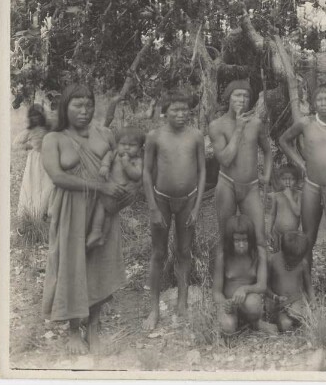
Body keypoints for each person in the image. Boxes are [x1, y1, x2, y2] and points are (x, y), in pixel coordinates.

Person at [41, 84, 130, 354]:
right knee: (71, 264)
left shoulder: (104, 133)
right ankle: (73, 330)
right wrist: (100, 187)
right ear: (65, 108)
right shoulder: (53, 139)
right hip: (71, 208)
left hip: (102, 209)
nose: (84, 110)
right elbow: (58, 177)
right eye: (77, 105)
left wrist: (119, 193)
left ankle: (93, 324)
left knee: (98, 263)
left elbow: (119, 164)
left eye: (88, 104)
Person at [279, 83, 326, 310]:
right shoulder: (306, 123)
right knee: (307, 239)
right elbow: (284, 141)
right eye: (319, 99)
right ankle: (306, 289)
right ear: (314, 102)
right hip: (312, 187)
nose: (323, 103)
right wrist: (300, 163)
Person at [142, 90, 206, 330]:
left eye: (185, 109)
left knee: (184, 251)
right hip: (161, 200)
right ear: (164, 112)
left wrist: (197, 207)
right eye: (175, 110)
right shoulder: (155, 136)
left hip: (188, 200)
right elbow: (147, 173)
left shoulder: (196, 136)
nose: (181, 114)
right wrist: (152, 208)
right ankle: (154, 309)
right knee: (158, 254)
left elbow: (201, 172)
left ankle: (182, 302)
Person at [209, 79, 272, 283]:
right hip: (226, 184)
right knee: (226, 236)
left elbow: (268, 151)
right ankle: (225, 285)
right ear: (228, 97)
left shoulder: (256, 123)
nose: (242, 99)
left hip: (251, 187)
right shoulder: (217, 126)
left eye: (245, 96)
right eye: (237, 95)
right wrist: (237, 128)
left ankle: (261, 284)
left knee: (260, 238)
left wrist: (267, 175)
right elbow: (226, 159)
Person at [86, 127, 144, 251]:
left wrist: (126, 164)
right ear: (117, 144)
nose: (126, 148)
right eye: (123, 144)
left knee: (102, 205)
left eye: (132, 145)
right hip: (112, 187)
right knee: (108, 214)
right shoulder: (116, 153)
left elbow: (137, 175)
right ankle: (102, 238)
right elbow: (108, 156)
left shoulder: (137, 161)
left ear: (139, 148)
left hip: (123, 192)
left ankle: (96, 231)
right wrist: (105, 166)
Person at [212, 215, 267, 334]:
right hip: (228, 302)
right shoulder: (223, 256)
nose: (241, 245)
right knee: (228, 327)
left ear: (251, 239)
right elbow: (216, 292)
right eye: (237, 241)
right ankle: (238, 322)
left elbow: (262, 286)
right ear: (230, 240)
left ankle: (253, 322)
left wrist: (245, 289)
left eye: (245, 240)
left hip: (248, 302)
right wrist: (224, 303)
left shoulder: (259, 253)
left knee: (254, 306)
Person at [266, 230, 315, 332]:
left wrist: (313, 301)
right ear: (284, 252)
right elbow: (265, 286)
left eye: (298, 259)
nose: (295, 263)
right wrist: (275, 297)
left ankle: (299, 317)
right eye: (292, 260)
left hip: (297, 301)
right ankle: (291, 319)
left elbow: (308, 286)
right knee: (285, 325)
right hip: (279, 305)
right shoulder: (272, 260)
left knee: (300, 316)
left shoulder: (303, 263)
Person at [13, 104, 54, 220]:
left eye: (38, 115)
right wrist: (29, 146)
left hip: (49, 158)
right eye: (33, 116)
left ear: (42, 116)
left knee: (48, 184)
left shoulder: (48, 128)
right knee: (35, 184)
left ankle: (45, 211)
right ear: (30, 118)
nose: (36, 118)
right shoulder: (29, 131)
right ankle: (34, 213)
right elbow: (16, 143)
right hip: (35, 161)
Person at [267, 165, 301, 252]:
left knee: (290, 257)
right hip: (277, 234)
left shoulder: (299, 195)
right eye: (284, 179)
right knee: (278, 257)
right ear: (279, 180)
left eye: (291, 179)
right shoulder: (277, 196)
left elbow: (298, 212)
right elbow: (272, 214)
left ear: (297, 181)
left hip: (293, 236)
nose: (288, 182)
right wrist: (268, 230)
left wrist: (290, 197)